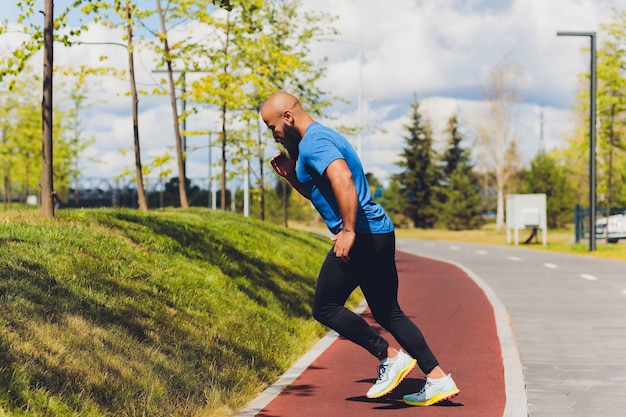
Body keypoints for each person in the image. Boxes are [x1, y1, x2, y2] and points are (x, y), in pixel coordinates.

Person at [261, 91, 460, 406]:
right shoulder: (318, 138)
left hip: (362, 234)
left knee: (325, 307)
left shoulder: (314, 143)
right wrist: (291, 177)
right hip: (379, 232)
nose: (273, 135)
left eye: (272, 127)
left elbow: (343, 180)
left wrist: (348, 230)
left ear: (288, 117)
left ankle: (389, 356)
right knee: (387, 311)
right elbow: (322, 192)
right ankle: (437, 377)